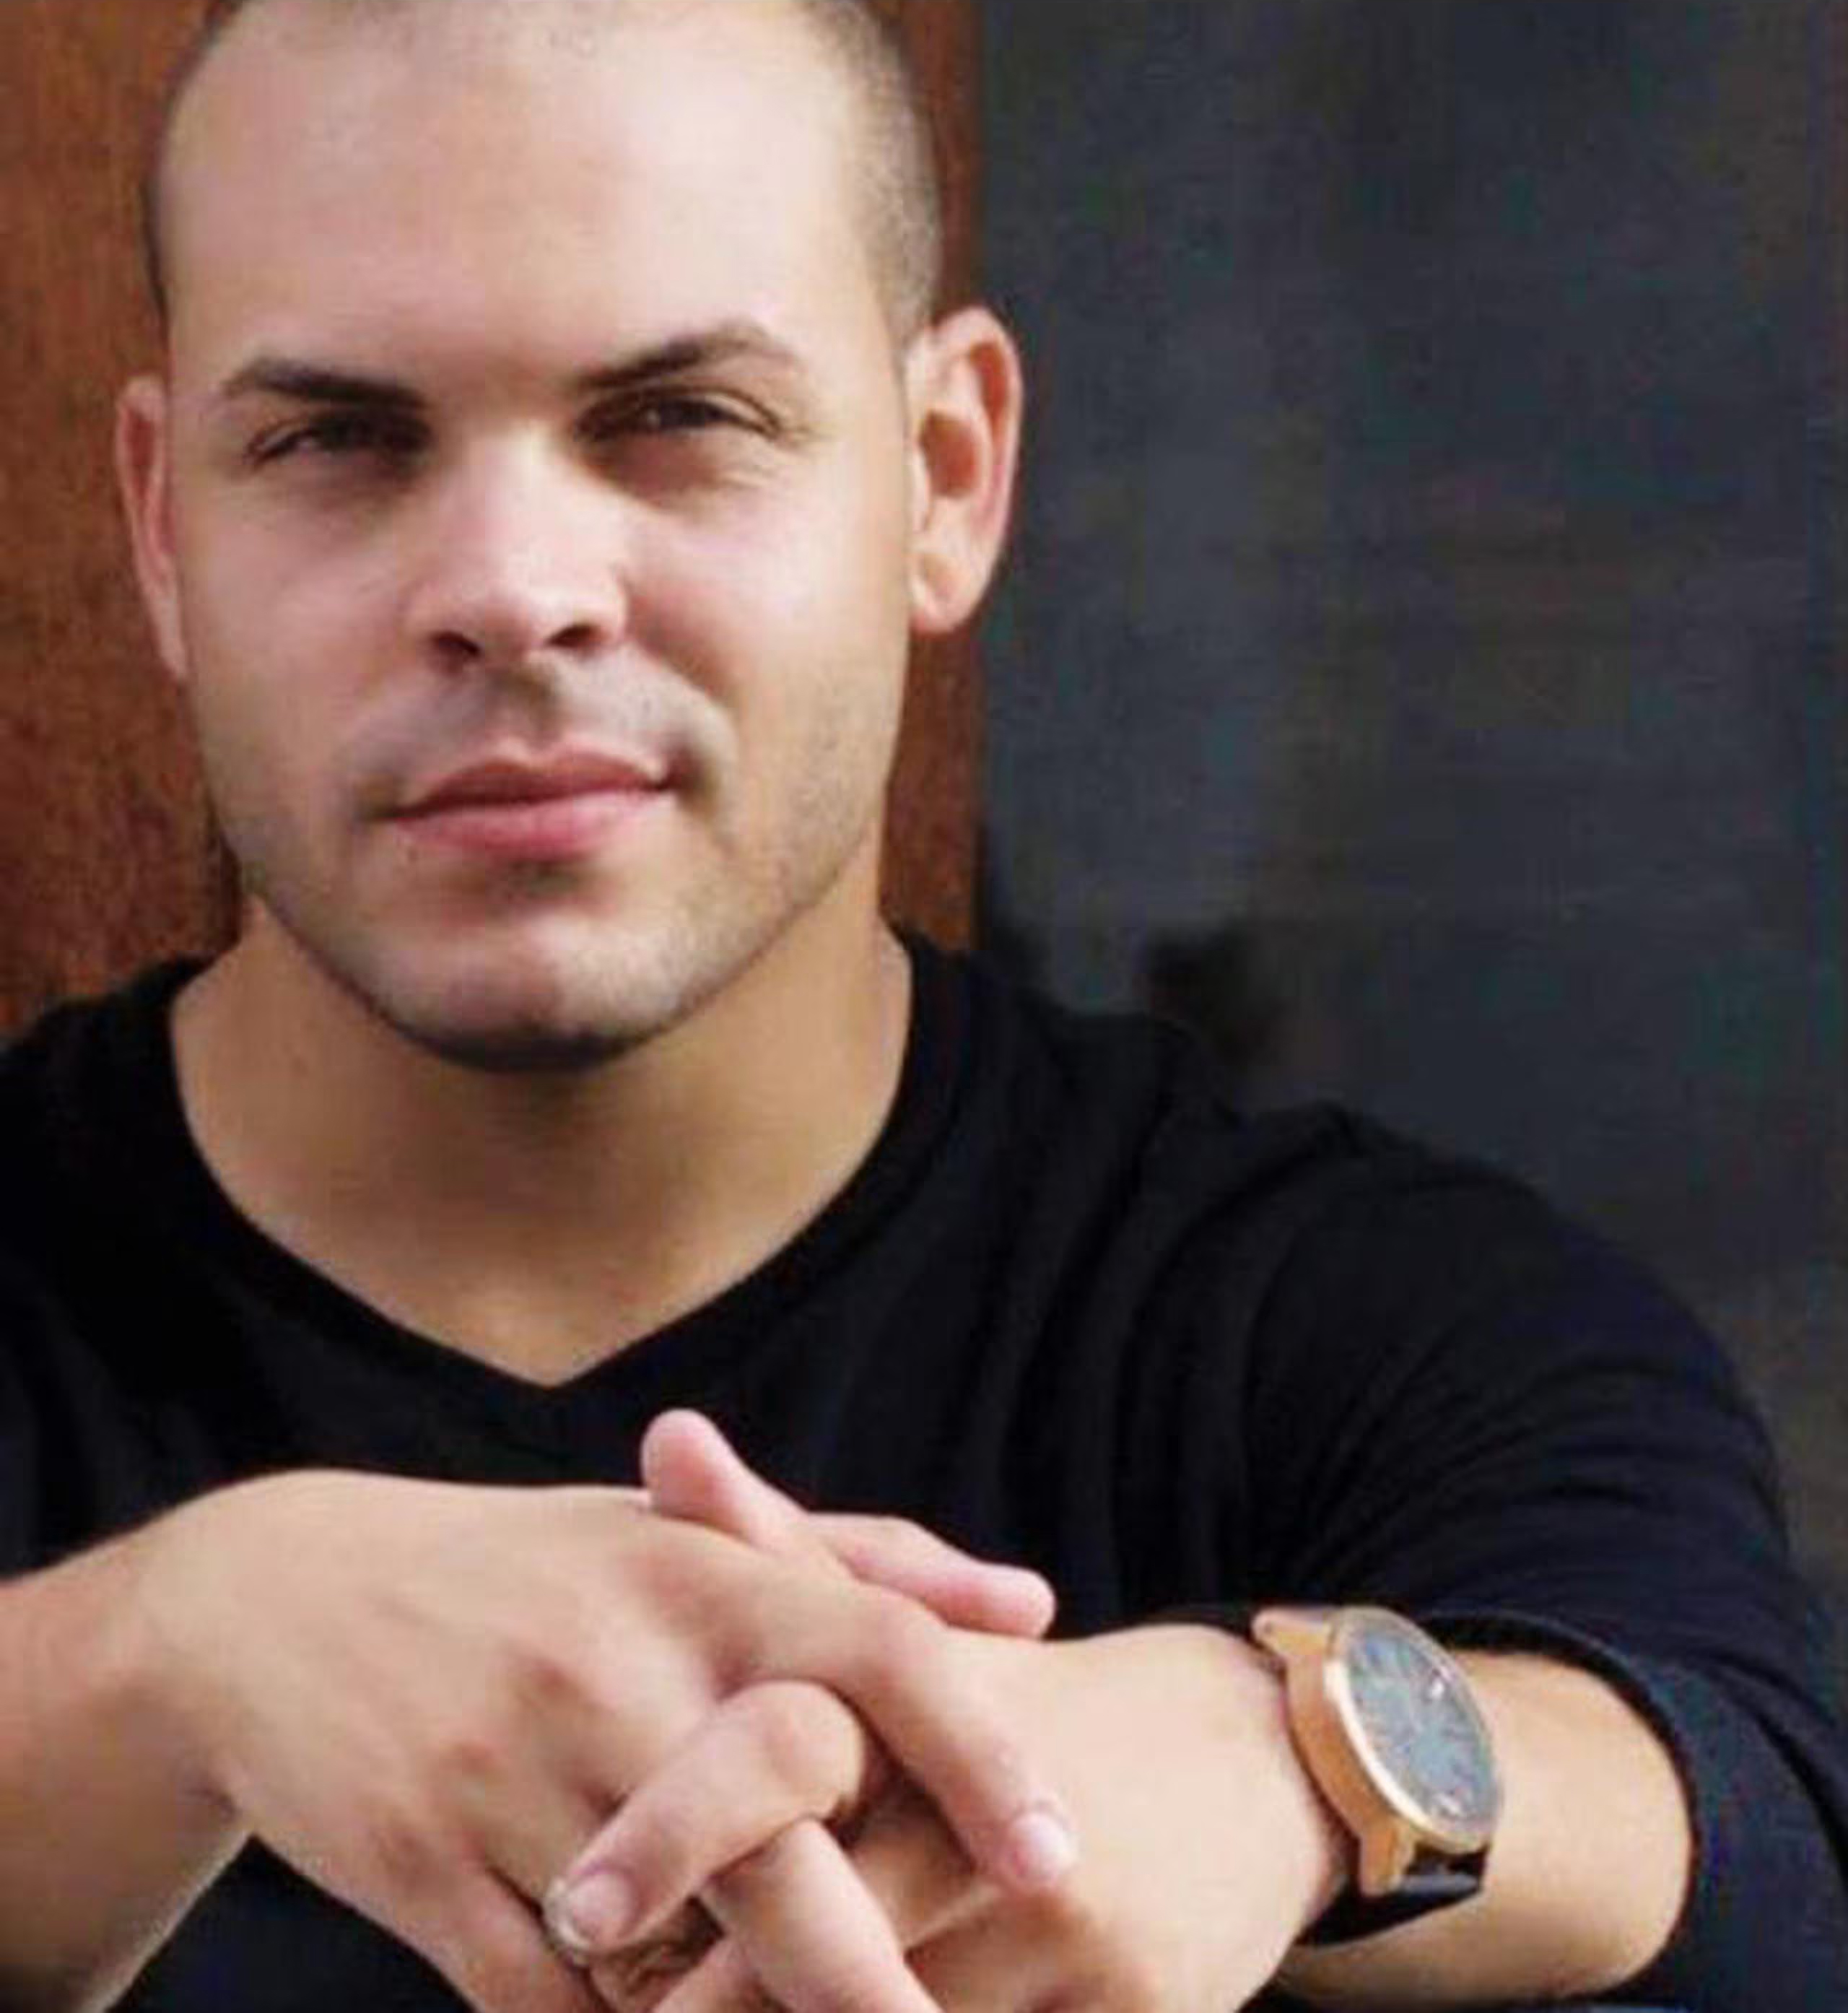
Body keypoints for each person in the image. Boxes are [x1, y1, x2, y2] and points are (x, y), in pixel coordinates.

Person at [1, 0, 1843, 2008]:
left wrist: (1290, 1763)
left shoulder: (1368, 1316)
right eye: (337, 443)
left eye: (678, 417)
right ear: (165, 529)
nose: (515, 589)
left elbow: (1742, 1820)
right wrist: (161, 1657)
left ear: (947, 475)